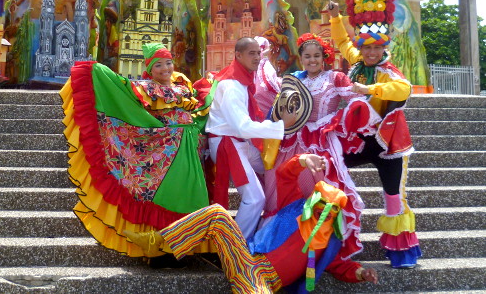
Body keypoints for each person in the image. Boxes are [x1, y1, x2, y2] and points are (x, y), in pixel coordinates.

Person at [124, 153, 378, 293]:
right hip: (245, 257)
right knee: (217, 214)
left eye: (331, 210)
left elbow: (340, 267)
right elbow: (284, 174)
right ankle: (157, 242)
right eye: (322, 203)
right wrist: (303, 160)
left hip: (262, 281)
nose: (325, 211)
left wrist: (361, 273)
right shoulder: (294, 206)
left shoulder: (329, 243)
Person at [61, 42, 211, 257]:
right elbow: (120, 89)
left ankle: (188, 246)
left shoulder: (182, 86)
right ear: (150, 70)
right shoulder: (146, 88)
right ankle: (160, 250)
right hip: (168, 152)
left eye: (168, 62)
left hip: (190, 148)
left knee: (192, 194)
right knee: (167, 197)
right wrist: (96, 71)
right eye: (158, 65)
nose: (165, 68)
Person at [255, 33, 382, 260]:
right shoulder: (294, 79)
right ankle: (281, 244)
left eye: (316, 56)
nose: (312, 60)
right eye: (307, 56)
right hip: (292, 140)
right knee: (282, 186)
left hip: (321, 141)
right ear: (301, 58)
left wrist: (335, 119)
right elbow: (278, 103)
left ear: (324, 57)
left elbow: (357, 100)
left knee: (323, 188)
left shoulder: (335, 78)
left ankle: (325, 246)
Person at [329, 0, 421, 268]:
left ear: (384, 48)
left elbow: (403, 89)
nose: (370, 53)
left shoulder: (389, 72)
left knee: (394, 195)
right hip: (360, 141)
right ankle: (332, 238)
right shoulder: (357, 62)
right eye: (366, 47)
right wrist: (336, 17)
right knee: (331, 167)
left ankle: (401, 252)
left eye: (376, 47)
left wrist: (369, 90)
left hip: (389, 143)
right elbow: (343, 42)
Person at [204, 37, 293, 239]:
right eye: (251, 53)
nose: (257, 57)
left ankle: (267, 225)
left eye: (258, 52)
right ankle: (236, 247)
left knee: (272, 167)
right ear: (238, 55)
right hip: (229, 144)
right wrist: (281, 126)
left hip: (236, 142)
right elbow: (242, 127)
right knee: (254, 199)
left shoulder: (242, 78)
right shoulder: (233, 85)